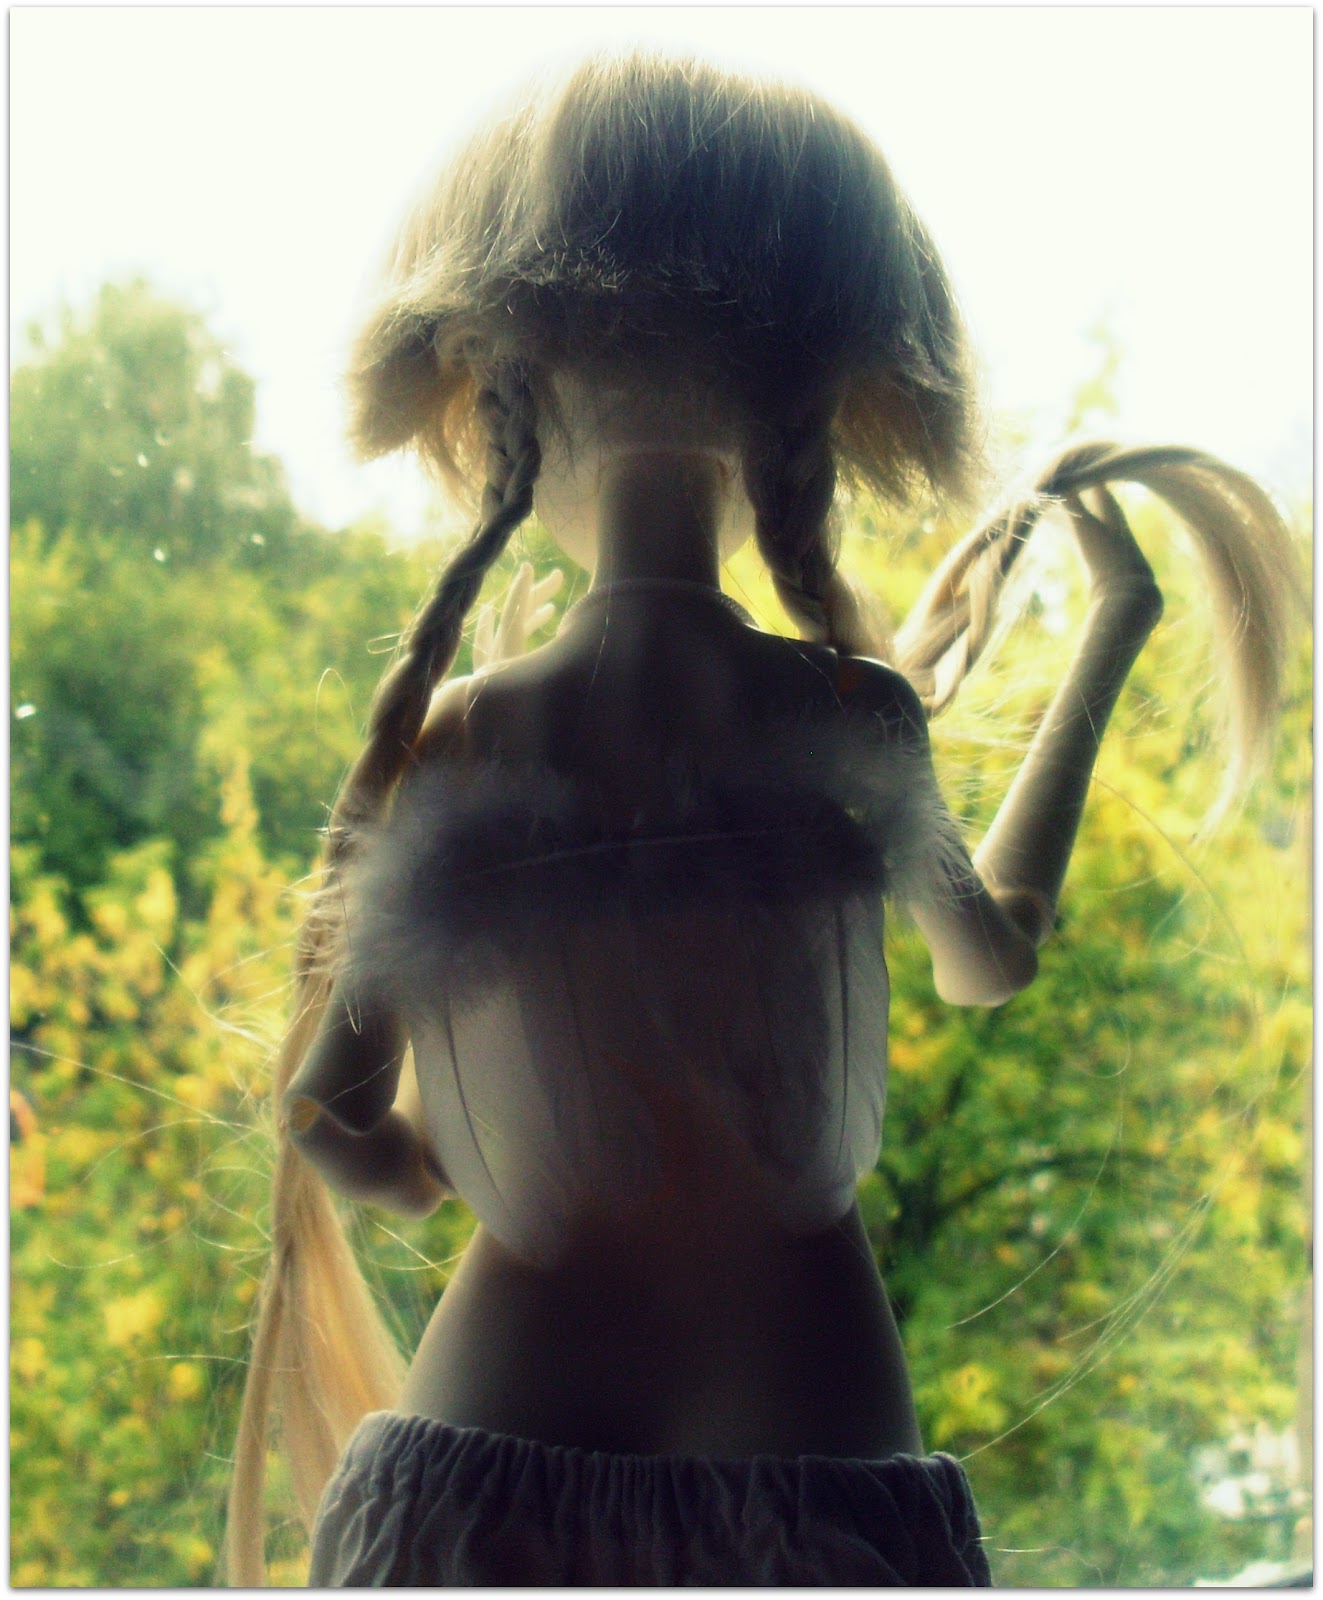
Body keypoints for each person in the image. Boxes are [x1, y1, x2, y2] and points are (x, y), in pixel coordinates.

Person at [223, 52, 1300, 1586]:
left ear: (497, 401)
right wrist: (1109, 640)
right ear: (821, 414)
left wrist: (436, 1163)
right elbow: (991, 959)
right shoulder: (847, 718)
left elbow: (327, 1111)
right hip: (806, 1394)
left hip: (503, 1394)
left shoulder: (469, 739)